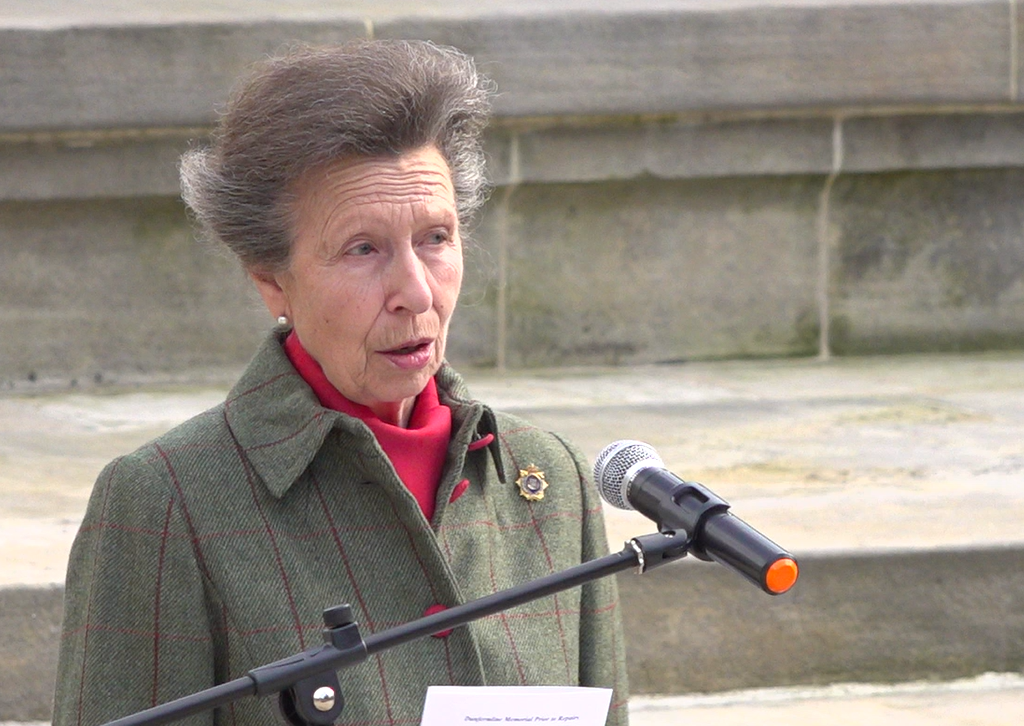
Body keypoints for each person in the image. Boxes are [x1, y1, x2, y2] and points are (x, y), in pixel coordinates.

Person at [53, 40, 628, 726]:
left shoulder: (547, 479)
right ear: (271, 281)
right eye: (364, 249)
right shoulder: (167, 504)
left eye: (436, 238)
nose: (416, 293)